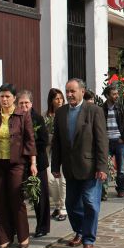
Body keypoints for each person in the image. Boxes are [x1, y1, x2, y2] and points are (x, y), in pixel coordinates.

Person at [51, 78, 108, 248]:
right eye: (67, 91)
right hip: (70, 167)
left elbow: (101, 141)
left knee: (90, 203)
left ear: (82, 91)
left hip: (90, 167)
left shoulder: (94, 111)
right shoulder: (61, 113)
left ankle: (88, 240)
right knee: (71, 204)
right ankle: (80, 230)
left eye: (72, 91)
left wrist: (102, 166)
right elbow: (57, 142)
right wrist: (55, 165)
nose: (69, 95)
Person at [0, 83, 36, 248]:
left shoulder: (22, 116)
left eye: (8, 96)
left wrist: (33, 163)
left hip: (16, 163)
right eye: (2, 96)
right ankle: (4, 237)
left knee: (16, 198)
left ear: (14, 98)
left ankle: (23, 236)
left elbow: (30, 140)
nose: (4, 99)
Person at [15, 90, 51, 238]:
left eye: (26, 103)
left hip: (38, 162)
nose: (24, 106)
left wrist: (29, 146)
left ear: (31, 103)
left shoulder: (37, 119)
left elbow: (44, 141)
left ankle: (42, 226)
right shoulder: (15, 118)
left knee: (40, 196)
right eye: (21, 103)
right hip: (20, 162)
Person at [102, 84, 124, 198]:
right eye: (113, 94)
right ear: (107, 95)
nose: (116, 96)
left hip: (119, 142)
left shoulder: (122, 108)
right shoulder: (102, 109)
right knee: (105, 167)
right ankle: (104, 192)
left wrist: (123, 138)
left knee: (121, 168)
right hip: (107, 142)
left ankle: (120, 189)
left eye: (117, 94)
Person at [44, 88, 68, 221]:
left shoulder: (67, 113)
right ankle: (58, 205)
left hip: (64, 151)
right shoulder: (45, 116)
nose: (59, 101)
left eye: (61, 98)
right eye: (56, 99)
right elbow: (41, 134)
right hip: (49, 150)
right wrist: (50, 137)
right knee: (51, 180)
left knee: (63, 180)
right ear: (51, 101)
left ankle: (63, 207)